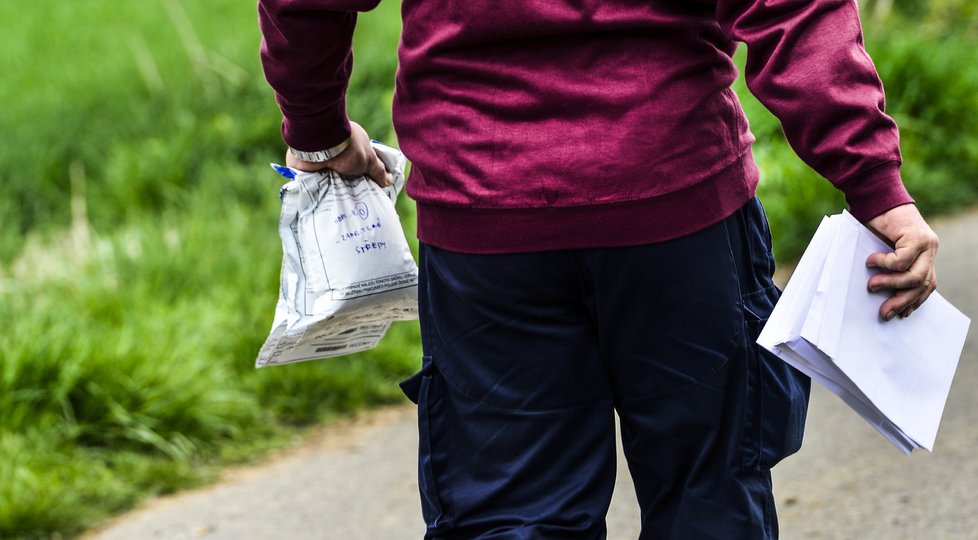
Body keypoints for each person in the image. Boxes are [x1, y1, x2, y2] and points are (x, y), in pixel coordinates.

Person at [258, 0, 939, 537]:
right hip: (679, 204)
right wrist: (873, 179)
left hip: (486, 217)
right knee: (708, 498)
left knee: (511, 516)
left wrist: (316, 128)